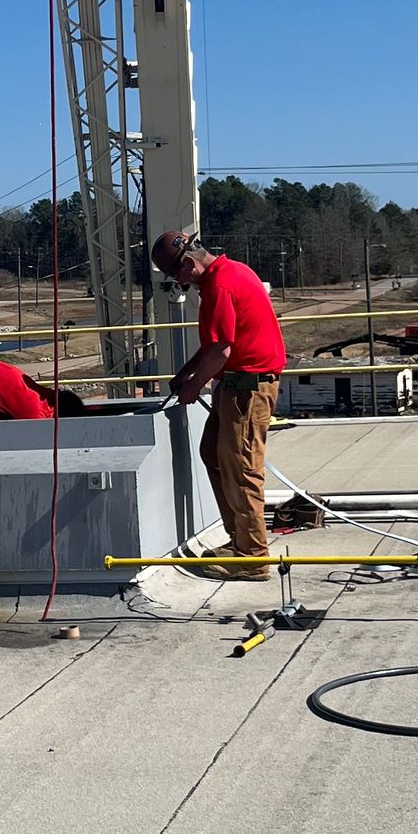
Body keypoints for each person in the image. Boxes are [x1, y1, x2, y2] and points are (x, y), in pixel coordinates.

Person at [151, 228, 288, 576]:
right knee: (213, 453)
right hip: (238, 384)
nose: (181, 285)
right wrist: (187, 372)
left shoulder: (219, 286)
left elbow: (222, 350)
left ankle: (252, 555)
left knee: (242, 468)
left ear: (189, 264)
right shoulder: (231, 273)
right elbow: (218, 343)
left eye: (178, 277)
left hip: (248, 388)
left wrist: (194, 386)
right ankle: (239, 537)